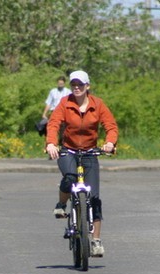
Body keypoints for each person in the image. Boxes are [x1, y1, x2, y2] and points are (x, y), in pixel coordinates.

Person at [46, 70, 118, 257]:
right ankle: (62, 204)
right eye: (73, 85)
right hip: (68, 150)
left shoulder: (98, 104)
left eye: (80, 84)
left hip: (89, 152)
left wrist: (110, 142)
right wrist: (51, 143)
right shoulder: (65, 102)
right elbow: (54, 123)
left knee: (94, 197)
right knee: (69, 178)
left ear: (88, 86)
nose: (76, 88)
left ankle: (95, 241)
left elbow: (110, 126)